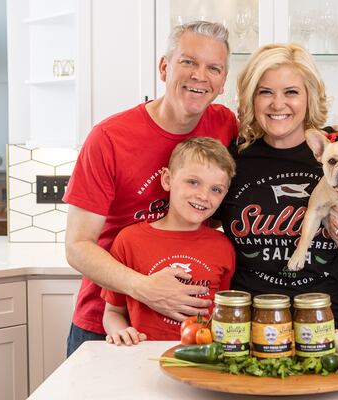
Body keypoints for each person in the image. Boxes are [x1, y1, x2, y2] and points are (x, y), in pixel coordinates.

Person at [63, 21, 238, 355]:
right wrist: (145, 288)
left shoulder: (224, 124)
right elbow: (77, 246)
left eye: (213, 68)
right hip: (109, 326)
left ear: (222, 81)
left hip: (189, 330)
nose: (200, 75)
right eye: (188, 61)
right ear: (164, 67)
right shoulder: (109, 138)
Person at [215, 43, 338, 327]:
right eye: (265, 92)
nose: (277, 104)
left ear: (310, 96)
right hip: (250, 324)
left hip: (333, 322)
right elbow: (200, 223)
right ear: (250, 99)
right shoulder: (235, 158)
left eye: (291, 92)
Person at [101, 137, 235, 345]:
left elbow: (223, 311)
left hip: (203, 358)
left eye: (216, 189)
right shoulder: (129, 240)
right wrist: (121, 332)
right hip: (142, 356)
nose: (203, 196)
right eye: (193, 182)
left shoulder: (223, 246)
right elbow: (112, 312)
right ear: (167, 179)